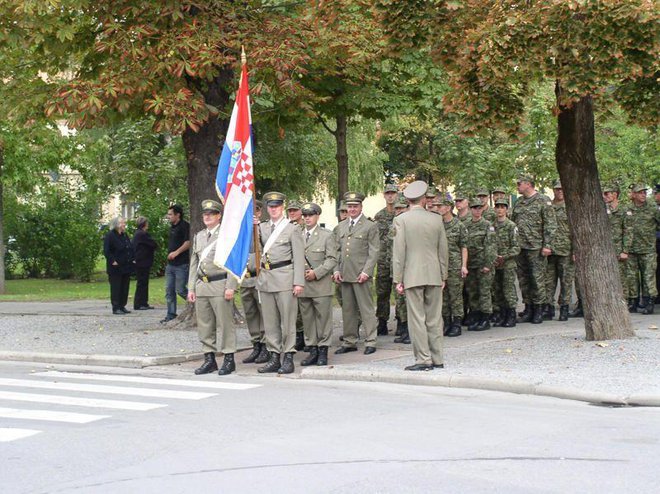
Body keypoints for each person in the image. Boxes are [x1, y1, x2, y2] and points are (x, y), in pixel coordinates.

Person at [392, 181, 448, 371]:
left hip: (412, 274)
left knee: (417, 318)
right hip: (433, 273)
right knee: (434, 318)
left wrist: (397, 278)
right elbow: (443, 250)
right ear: (424, 199)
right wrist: (443, 274)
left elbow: (399, 252)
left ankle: (423, 359)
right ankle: (437, 357)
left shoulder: (401, 220)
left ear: (407, 199)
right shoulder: (436, 219)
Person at [187, 200, 239, 376]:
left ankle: (229, 359)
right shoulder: (199, 236)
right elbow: (194, 263)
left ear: (219, 216)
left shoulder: (226, 235)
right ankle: (209, 359)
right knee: (205, 324)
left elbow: (234, 262)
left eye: (211, 214)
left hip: (220, 285)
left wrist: (231, 286)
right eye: (205, 214)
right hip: (202, 285)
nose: (207, 216)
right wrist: (191, 288)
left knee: (225, 324)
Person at [256, 192, 305, 374]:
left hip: (285, 277)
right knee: (270, 322)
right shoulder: (261, 228)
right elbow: (257, 250)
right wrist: (252, 228)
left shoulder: (292, 229)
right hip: (266, 278)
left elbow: (299, 257)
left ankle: (289, 356)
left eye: (276, 206)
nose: (273, 209)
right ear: (267, 208)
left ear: (282, 207)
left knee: (288, 320)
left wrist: (298, 282)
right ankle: (274, 356)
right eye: (270, 206)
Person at [333, 191, 380, 355]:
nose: (352, 209)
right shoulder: (341, 226)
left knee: (366, 309)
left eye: (355, 206)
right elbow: (337, 251)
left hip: (361, 275)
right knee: (348, 310)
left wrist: (367, 272)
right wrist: (336, 269)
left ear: (361, 207)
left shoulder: (370, 226)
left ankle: (371, 340)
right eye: (350, 206)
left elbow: (374, 252)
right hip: (345, 274)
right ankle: (349, 340)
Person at [511, 174, 556, 324]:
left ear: (528, 184)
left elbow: (550, 224)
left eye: (519, 183)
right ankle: (528, 307)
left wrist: (547, 245)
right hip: (521, 247)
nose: (517, 187)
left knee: (537, 279)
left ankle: (539, 309)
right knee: (524, 279)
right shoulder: (519, 203)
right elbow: (513, 223)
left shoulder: (543, 200)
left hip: (536, 247)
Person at [298, 202, 337, 366]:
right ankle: (312, 349)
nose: (307, 218)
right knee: (308, 320)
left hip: (320, 285)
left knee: (323, 320)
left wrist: (317, 273)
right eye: (305, 216)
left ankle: (323, 351)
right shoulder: (297, 234)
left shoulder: (326, 235)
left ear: (317, 216)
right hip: (303, 285)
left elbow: (332, 259)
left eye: (310, 215)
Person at [623, 184, 660, 314]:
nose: (643, 195)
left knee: (648, 276)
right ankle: (633, 301)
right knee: (631, 277)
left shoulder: (653, 208)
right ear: (633, 194)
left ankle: (649, 302)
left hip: (648, 249)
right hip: (631, 249)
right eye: (640, 192)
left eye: (644, 192)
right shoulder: (628, 209)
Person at [240, 200, 269, 365]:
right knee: (250, 313)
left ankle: (265, 345)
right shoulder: (242, 231)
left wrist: (257, 229)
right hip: (245, 278)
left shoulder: (263, 229)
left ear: (259, 212)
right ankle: (256, 344)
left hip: (259, 276)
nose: (252, 214)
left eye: (255, 211)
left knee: (263, 312)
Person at [465, 198, 497, 331]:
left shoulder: (487, 225)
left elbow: (491, 246)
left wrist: (488, 264)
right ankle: (475, 315)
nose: (477, 210)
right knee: (472, 292)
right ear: (471, 209)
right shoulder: (465, 225)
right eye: (474, 208)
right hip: (470, 264)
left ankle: (485, 319)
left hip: (483, 264)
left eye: (479, 208)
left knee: (484, 292)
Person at [545, 179, 574, 321]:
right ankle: (549, 308)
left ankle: (564, 308)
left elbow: (576, 230)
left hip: (565, 249)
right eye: (557, 189)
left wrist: (575, 250)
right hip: (550, 250)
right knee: (549, 281)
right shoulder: (548, 206)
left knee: (566, 281)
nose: (560, 191)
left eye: (562, 189)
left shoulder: (571, 206)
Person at [439, 198, 468, 337]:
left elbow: (464, 247)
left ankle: (457, 323)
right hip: (440, 266)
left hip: (455, 265)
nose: (439, 208)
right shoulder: (438, 225)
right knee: (443, 297)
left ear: (449, 207)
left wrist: (463, 265)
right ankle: (447, 322)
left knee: (455, 296)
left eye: (442, 205)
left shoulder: (458, 225)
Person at [375, 184, 399, 336]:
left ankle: (401, 322)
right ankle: (382, 321)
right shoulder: (379, 216)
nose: (390, 196)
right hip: (383, 260)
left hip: (397, 259)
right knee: (382, 292)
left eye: (393, 193)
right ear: (384, 196)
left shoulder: (402, 213)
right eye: (387, 193)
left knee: (399, 292)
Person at [492, 199, 520, 327]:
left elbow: (516, 247)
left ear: (506, 210)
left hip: (508, 263)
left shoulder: (511, 226)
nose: (499, 209)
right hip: (496, 263)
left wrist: (505, 256)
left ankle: (511, 315)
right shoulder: (492, 226)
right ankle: (502, 315)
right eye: (497, 207)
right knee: (498, 290)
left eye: (502, 207)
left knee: (508, 289)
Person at [162, 204, 190, 323]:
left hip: (181, 264)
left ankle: (197, 305)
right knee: (169, 290)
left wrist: (176, 252)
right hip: (170, 265)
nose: (168, 217)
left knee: (181, 290)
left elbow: (188, 242)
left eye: (170, 214)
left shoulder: (185, 226)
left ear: (177, 215)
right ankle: (171, 314)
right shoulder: (172, 227)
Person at [103, 216, 135, 315]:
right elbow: (106, 250)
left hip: (126, 265)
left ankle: (122, 305)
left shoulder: (124, 235)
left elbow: (129, 247)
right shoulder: (110, 235)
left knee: (125, 287)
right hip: (115, 267)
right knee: (116, 287)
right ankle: (116, 307)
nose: (124, 224)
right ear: (116, 225)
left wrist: (132, 258)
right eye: (122, 223)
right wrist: (113, 261)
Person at [287, 200, 306, 351]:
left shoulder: (306, 227)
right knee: (295, 308)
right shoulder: (286, 228)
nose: (292, 213)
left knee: (306, 306)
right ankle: (299, 335)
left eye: (295, 210)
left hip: (305, 270)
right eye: (290, 211)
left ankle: (309, 336)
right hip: (290, 272)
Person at [392, 197, 410, 342]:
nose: (398, 211)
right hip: (396, 269)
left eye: (401, 209)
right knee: (400, 302)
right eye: (396, 209)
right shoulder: (394, 224)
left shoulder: (409, 225)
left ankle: (412, 331)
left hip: (408, 269)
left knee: (409, 300)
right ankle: (404, 328)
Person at [132, 216, 158, 310]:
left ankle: (143, 302)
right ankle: (139, 303)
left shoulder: (138, 233)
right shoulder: (142, 234)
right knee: (142, 282)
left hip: (142, 261)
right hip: (142, 261)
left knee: (143, 282)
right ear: (144, 224)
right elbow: (153, 244)